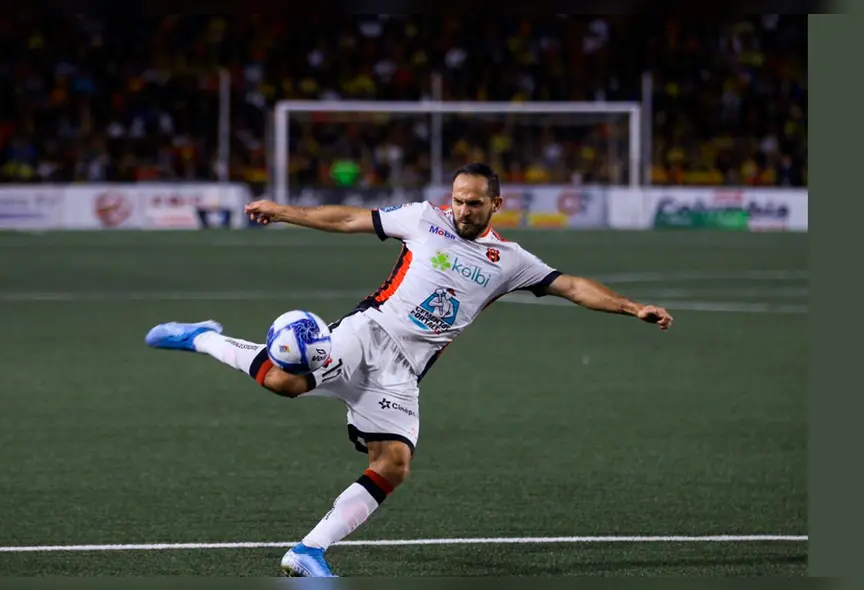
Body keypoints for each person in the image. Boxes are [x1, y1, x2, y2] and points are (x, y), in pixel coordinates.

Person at [144, 162, 674, 577]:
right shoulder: (424, 219)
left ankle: (309, 550)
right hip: (366, 333)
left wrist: (632, 308)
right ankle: (202, 337)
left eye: (474, 203)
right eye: (458, 200)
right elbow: (350, 218)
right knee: (284, 381)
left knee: (393, 464)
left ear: (497, 203)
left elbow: (573, 286)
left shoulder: (511, 261)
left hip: (403, 373)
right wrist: (284, 211)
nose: (463, 210)